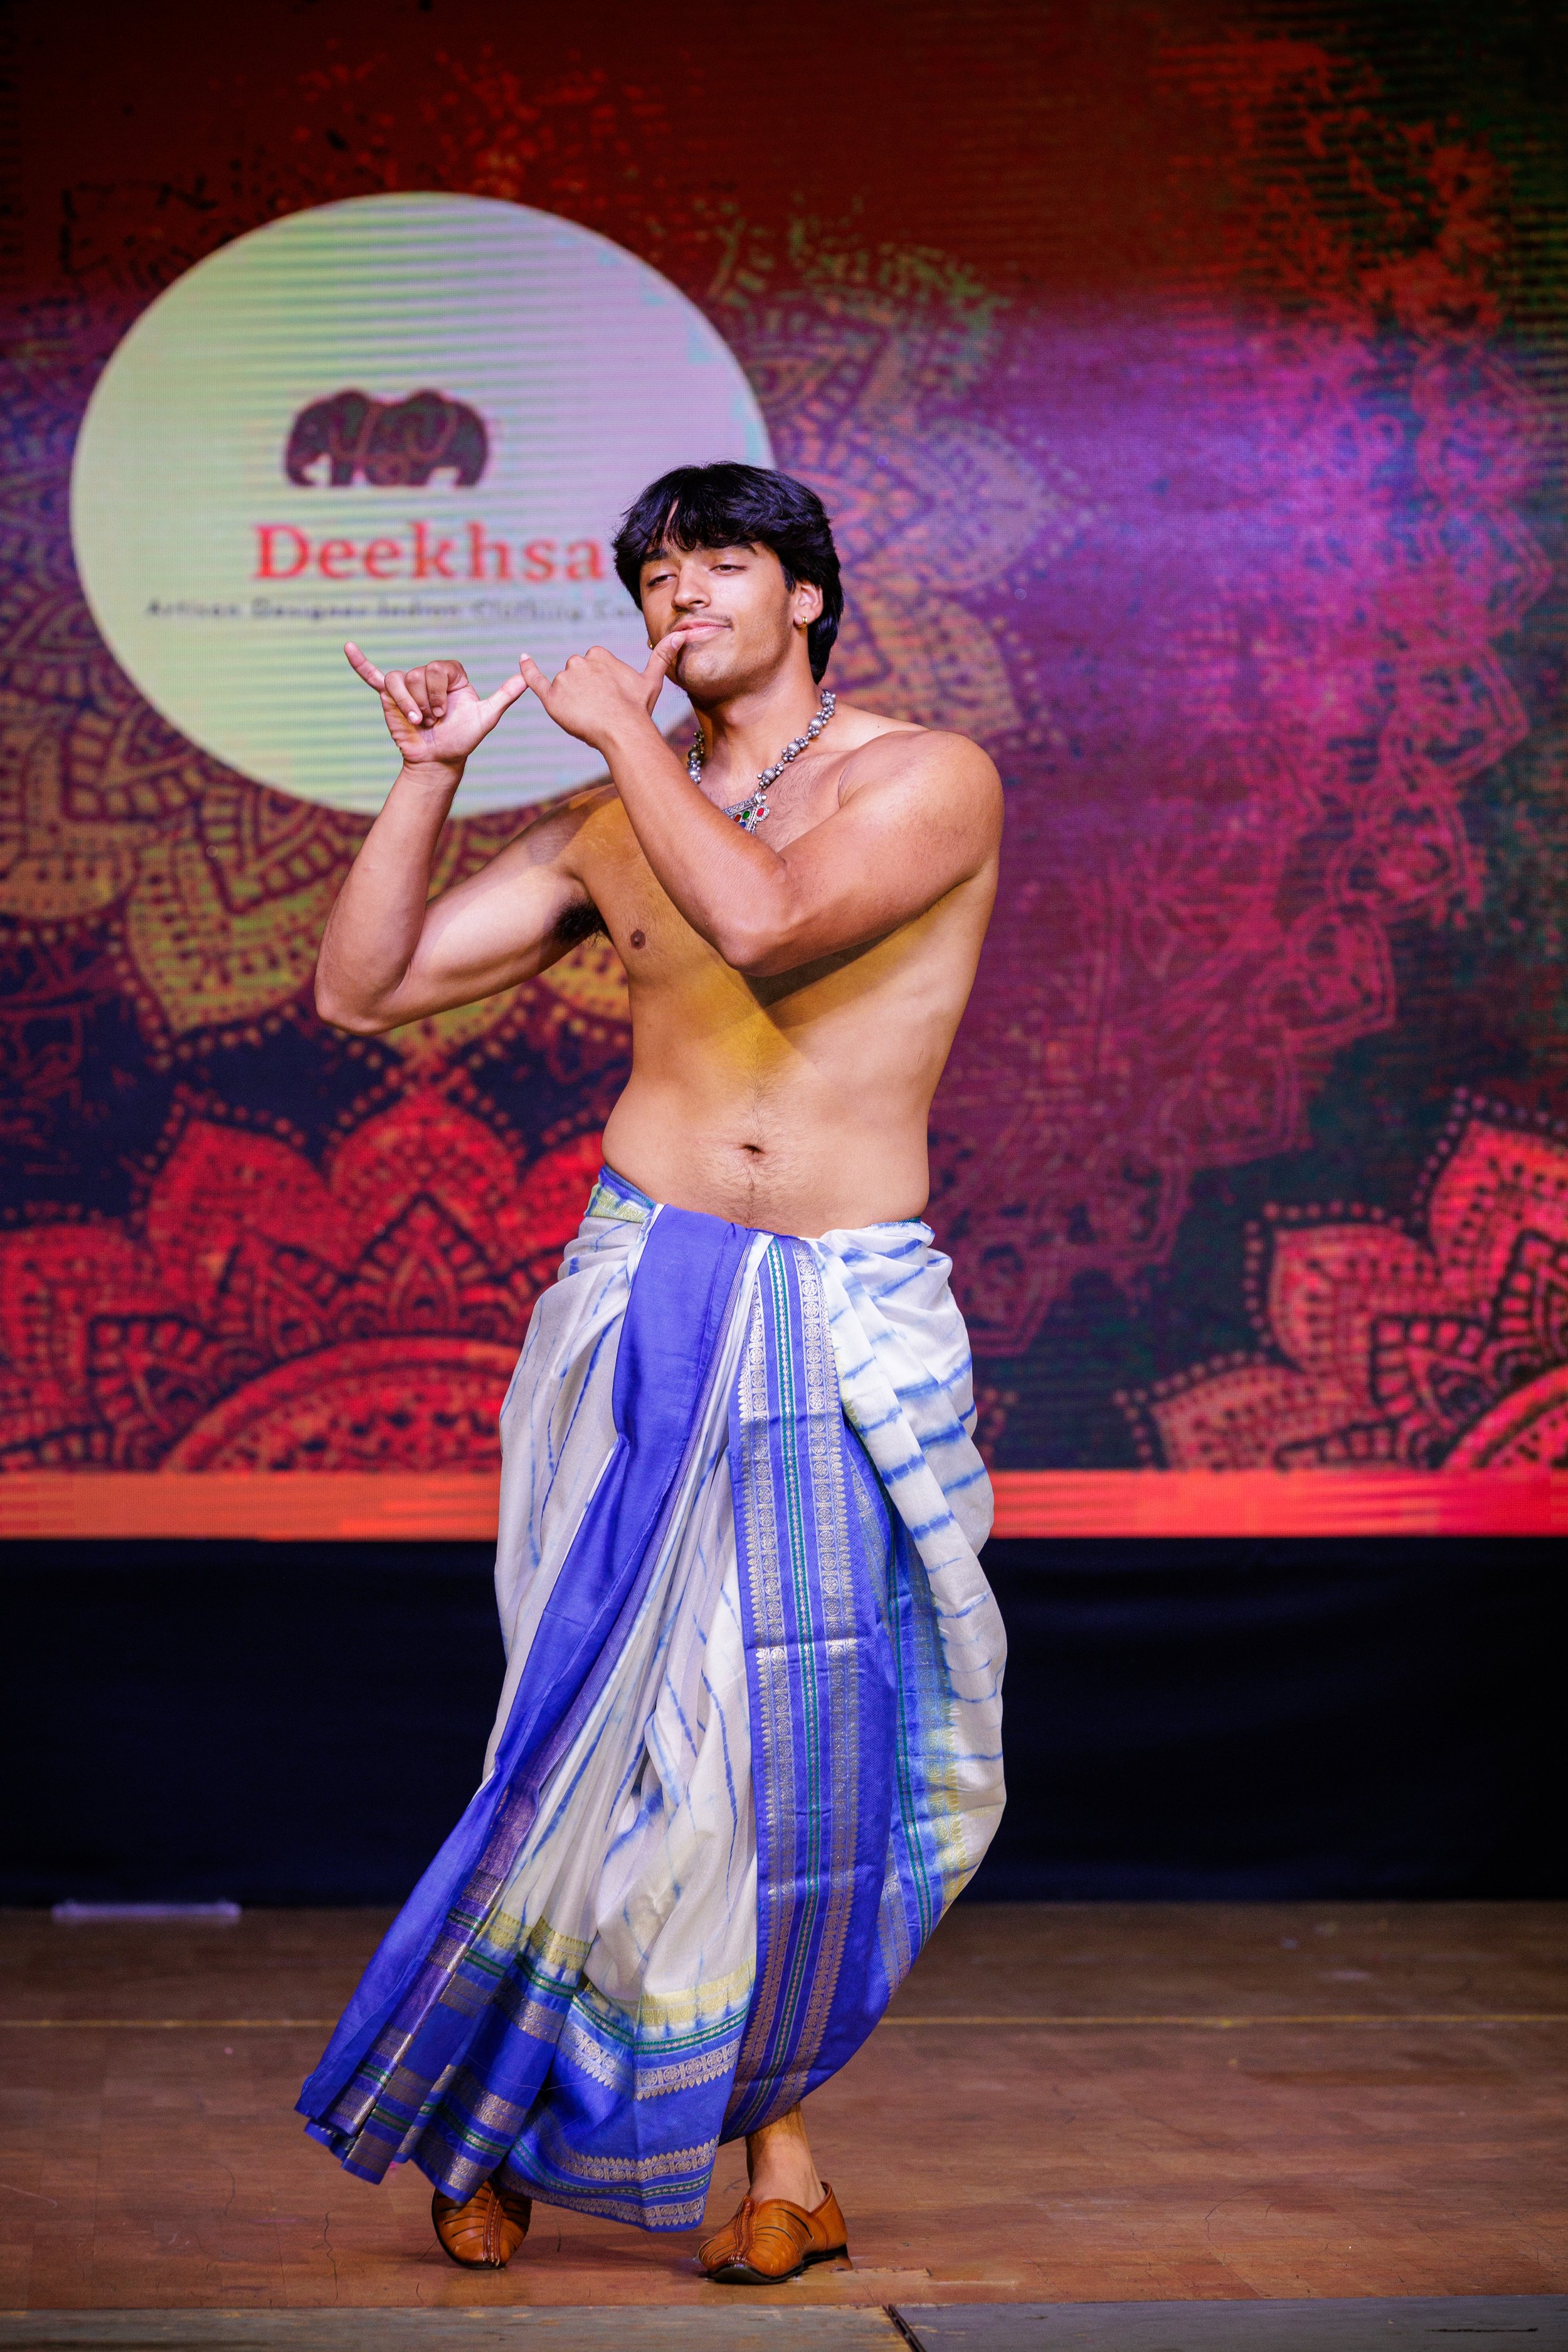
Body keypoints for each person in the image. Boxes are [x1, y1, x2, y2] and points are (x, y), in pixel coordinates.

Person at [299, 461, 1006, 2285]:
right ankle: (523, 2123)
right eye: (652, 574)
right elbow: (364, 990)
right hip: (642, 1298)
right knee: (599, 1732)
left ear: (808, 601)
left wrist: (618, 740)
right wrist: (436, 773)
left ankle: (770, 2136)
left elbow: (767, 919)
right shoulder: (615, 818)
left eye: (716, 566)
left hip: (841, 1306)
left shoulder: (921, 778)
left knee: (787, 1752)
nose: (675, 596)